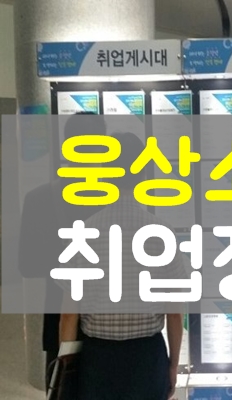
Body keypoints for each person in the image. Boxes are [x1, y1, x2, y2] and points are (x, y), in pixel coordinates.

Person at [59, 132, 185, 400]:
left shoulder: (84, 232)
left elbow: (69, 314)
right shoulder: (162, 233)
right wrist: (173, 365)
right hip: (147, 356)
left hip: (98, 358)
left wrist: (66, 370)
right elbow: (174, 312)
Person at [18, 112, 107, 391]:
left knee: (62, 390)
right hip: (112, 326)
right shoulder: (121, 199)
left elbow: (26, 265)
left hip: (58, 319)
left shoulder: (39, 198)